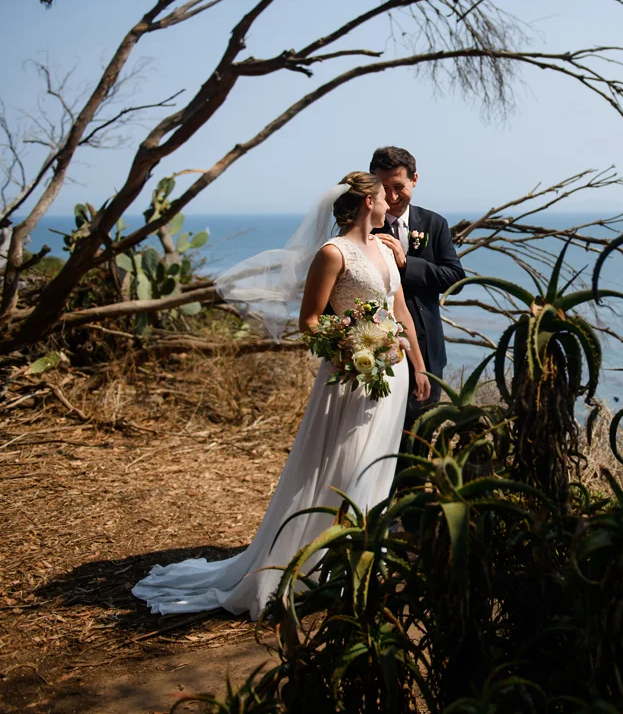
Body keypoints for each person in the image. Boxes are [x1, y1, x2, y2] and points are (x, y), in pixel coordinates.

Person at [132, 172, 431, 620]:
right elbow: (310, 320)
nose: (392, 200)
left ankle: (358, 566)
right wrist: (352, 346)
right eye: (383, 195)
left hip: (393, 376)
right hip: (352, 375)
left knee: (378, 467)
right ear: (367, 200)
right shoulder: (333, 253)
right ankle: (314, 563)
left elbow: (400, 310)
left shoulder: (388, 248)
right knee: (343, 464)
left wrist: (419, 366)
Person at [367, 146, 464, 438]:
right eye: (384, 189)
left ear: (415, 180)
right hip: (379, 351)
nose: (393, 198)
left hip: (429, 351)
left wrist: (407, 264)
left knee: (421, 436)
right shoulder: (363, 226)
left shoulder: (435, 224)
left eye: (399, 187)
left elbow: (455, 278)